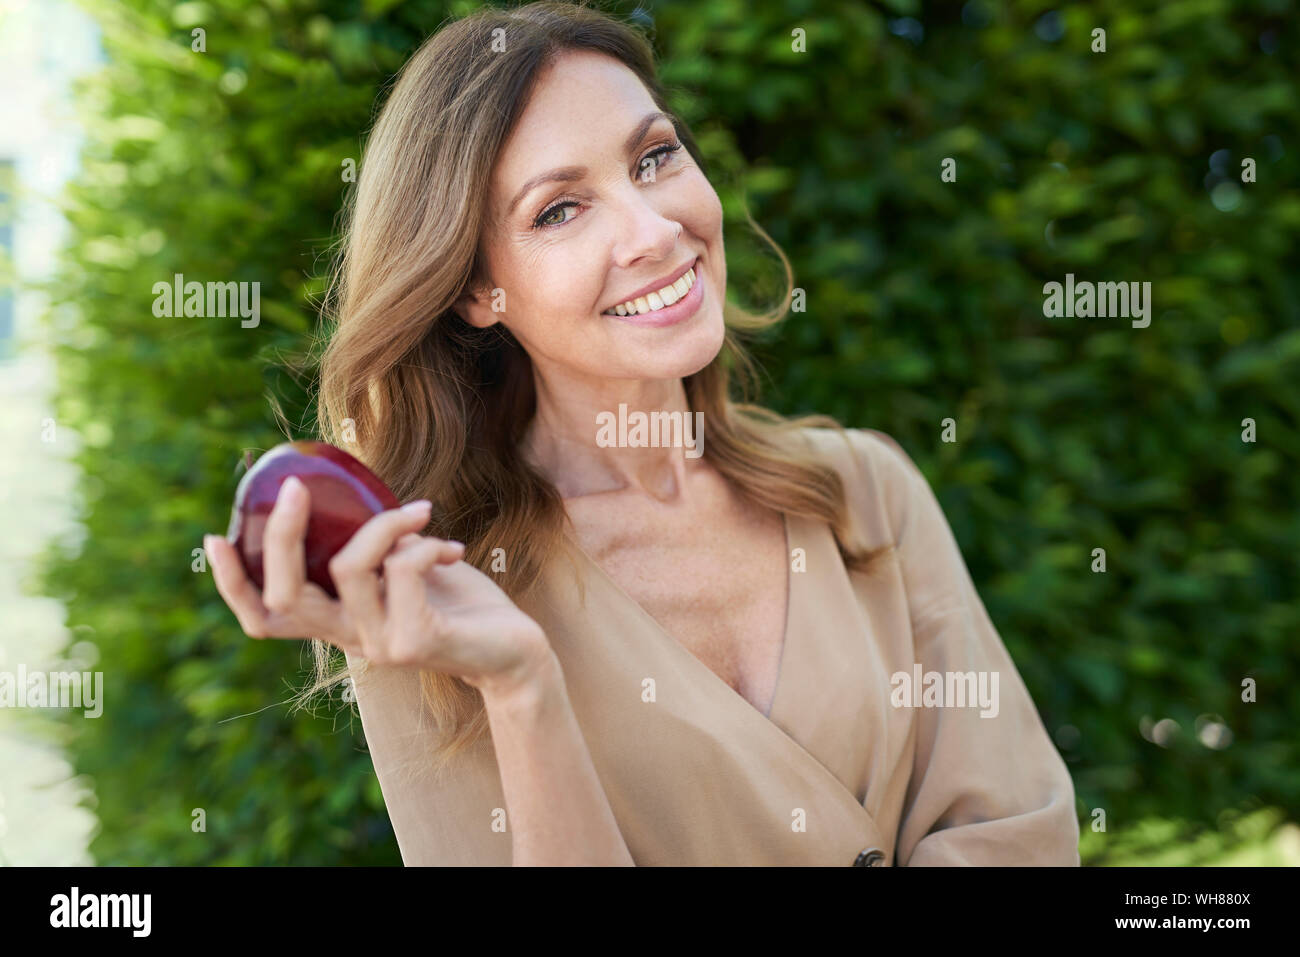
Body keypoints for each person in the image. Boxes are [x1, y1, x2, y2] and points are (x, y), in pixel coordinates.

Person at [205, 1, 1080, 866]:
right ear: (476, 291)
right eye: (560, 210)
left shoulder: (863, 489)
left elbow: (1019, 838)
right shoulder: (440, 597)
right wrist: (521, 686)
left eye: (655, 157)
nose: (656, 231)